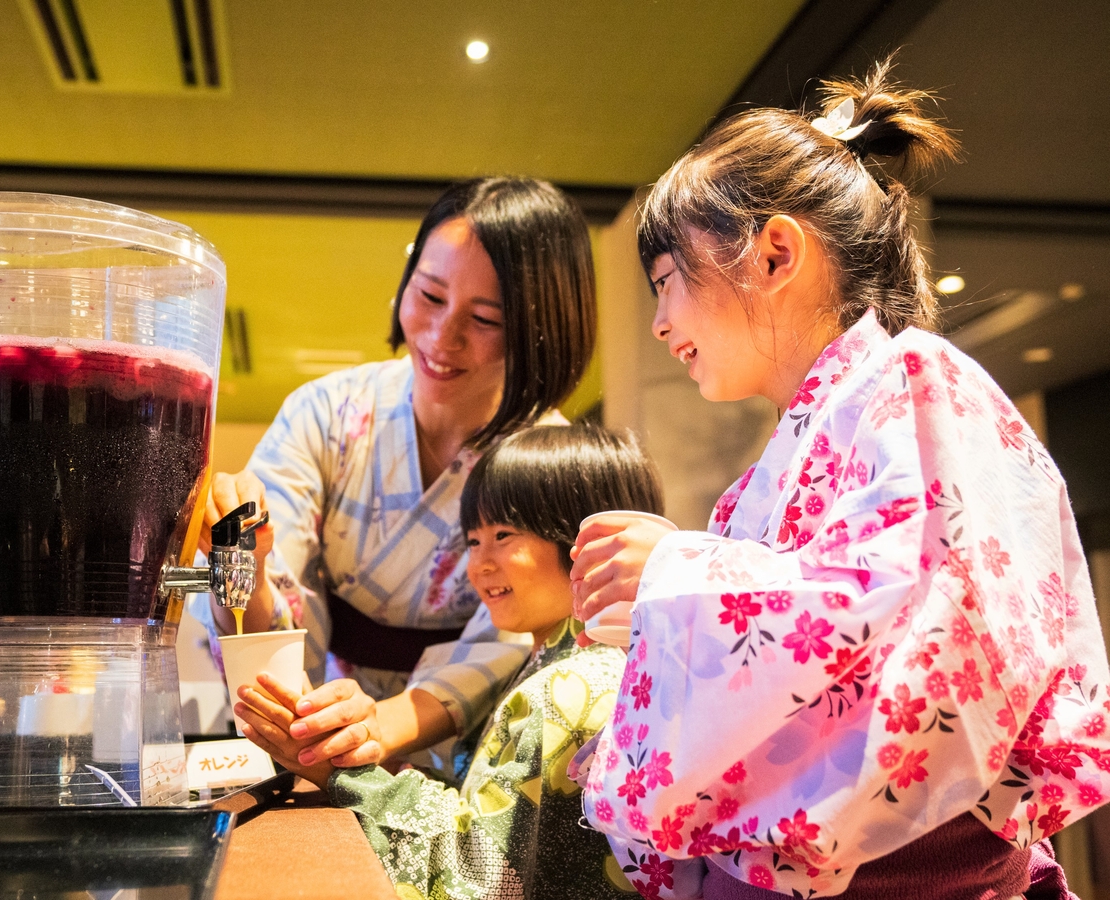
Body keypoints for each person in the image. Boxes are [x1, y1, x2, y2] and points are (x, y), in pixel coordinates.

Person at [569, 59, 1107, 898]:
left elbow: (914, 617)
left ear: (776, 253)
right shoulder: (769, 474)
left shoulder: (917, 380)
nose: (661, 322)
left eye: (668, 282)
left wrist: (676, 573)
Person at [190, 177, 597, 773]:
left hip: (473, 752)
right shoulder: (326, 414)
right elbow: (262, 592)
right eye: (429, 295)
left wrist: (372, 731)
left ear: (542, 330)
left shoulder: (553, 462)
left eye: (485, 319)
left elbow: (515, 639)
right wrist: (240, 561)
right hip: (314, 723)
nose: (442, 336)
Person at [234, 424, 665, 899]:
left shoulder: (568, 689)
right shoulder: (580, 665)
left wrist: (340, 774)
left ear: (592, 540)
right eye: (473, 541)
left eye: (503, 535)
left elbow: (481, 874)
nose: (479, 565)